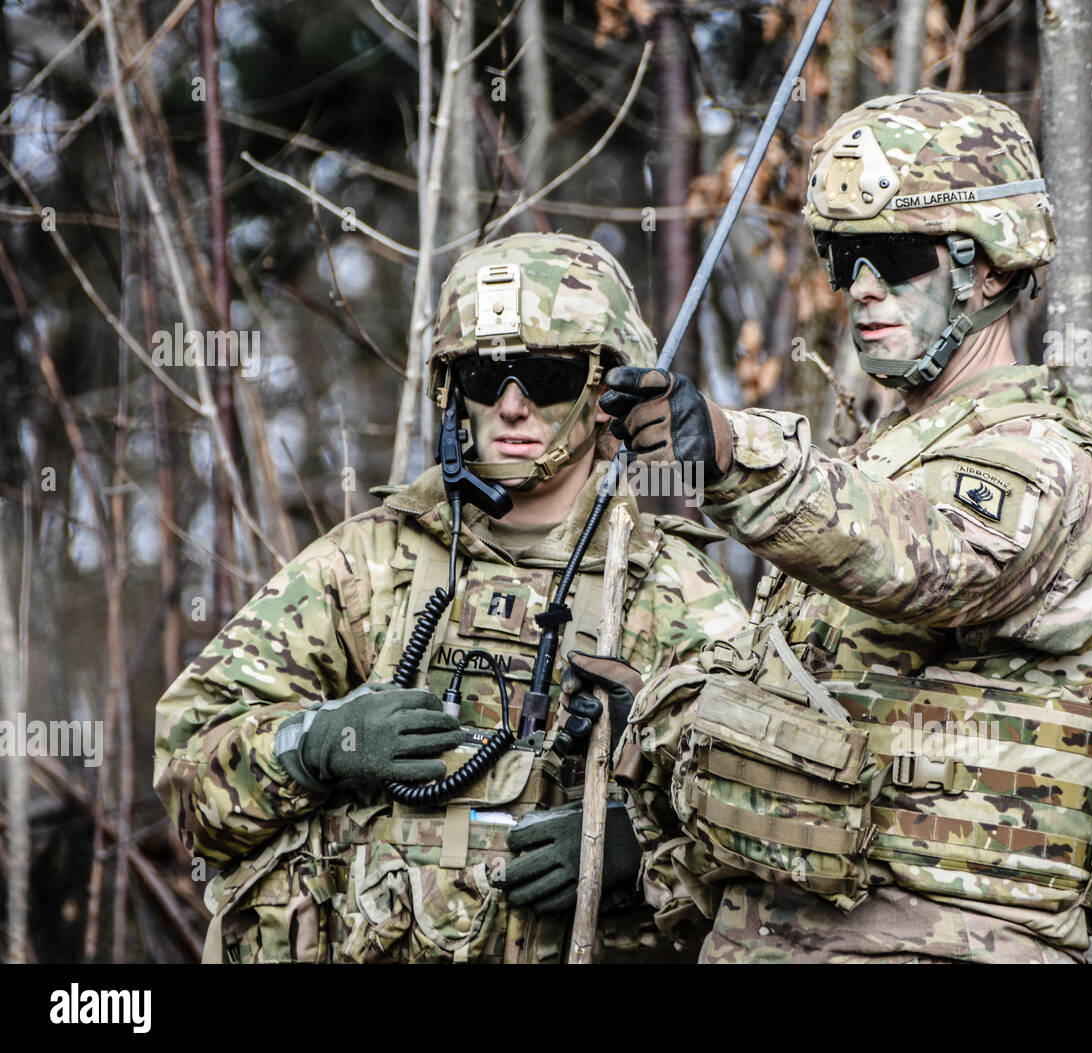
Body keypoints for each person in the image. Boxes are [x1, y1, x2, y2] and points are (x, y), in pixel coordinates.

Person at [602, 89, 1092, 963]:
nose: (861, 290)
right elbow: (810, 690)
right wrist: (659, 708)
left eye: (895, 256)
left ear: (994, 266)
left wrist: (727, 446)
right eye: (844, 258)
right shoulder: (876, 463)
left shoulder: (1051, 461)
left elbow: (923, 555)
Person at [153, 232, 748, 963]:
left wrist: (638, 843)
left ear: (606, 392)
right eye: (484, 373)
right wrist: (320, 744)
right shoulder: (367, 565)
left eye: (547, 374)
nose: (512, 405)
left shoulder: (670, 589)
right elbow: (189, 766)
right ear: (449, 388)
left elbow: (769, 827)